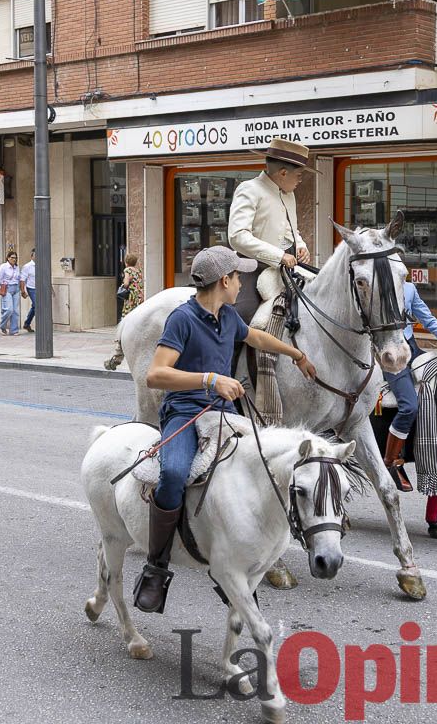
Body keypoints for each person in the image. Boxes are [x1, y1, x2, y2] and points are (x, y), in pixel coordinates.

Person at [134, 245, 318, 614]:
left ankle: (234, 556)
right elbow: (156, 375)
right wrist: (210, 379)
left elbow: (255, 337)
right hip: (184, 413)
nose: (242, 283)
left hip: (222, 415)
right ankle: (156, 567)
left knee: (264, 465)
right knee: (172, 474)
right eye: (238, 277)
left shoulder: (228, 315)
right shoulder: (182, 320)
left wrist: (295, 354)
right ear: (224, 281)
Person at [227, 137, 314, 327]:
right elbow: (237, 236)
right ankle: (226, 357)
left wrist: (300, 244)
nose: (300, 180)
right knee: (240, 316)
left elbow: (290, 229)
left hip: (289, 267)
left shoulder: (289, 195)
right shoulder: (249, 189)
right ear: (283, 173)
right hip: (253, 268)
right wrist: (279, 255)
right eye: (299, 175)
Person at [382, 282, 437, 493]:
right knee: (409, 406)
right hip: (389, 353)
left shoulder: (409, 289)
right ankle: (391, 462)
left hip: (411, 348)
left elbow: (427, 318)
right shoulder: (377, 288)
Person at [104, 253, 144, 370]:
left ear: (126, 262)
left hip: (131, 297)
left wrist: (123, 286)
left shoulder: (128, 270)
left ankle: (121, 342)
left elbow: (126, 283)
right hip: (139, 296)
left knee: (126, 318)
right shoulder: (138, 271)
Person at [0, 250, 26, 335]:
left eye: (15, 258)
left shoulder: (17, 267)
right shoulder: (4, 266)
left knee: (15, 311)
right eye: (12, 258)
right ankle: (2, 325)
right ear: (8, 258)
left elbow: (19, 278)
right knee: (9, 309)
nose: (14, 259)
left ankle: (14, 330)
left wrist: (22, 289)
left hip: (16, 288)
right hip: (7, 288)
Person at [22, 249, 37, 333]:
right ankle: (42, 325)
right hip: (31, 288)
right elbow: (22, 279)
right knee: (37, 305)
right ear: (32, 256)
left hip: (41, 288)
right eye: (35, 255)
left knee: (35, 307)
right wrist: (23, 291)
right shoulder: (27, 266)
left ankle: (27, 324)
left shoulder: (43, 264)